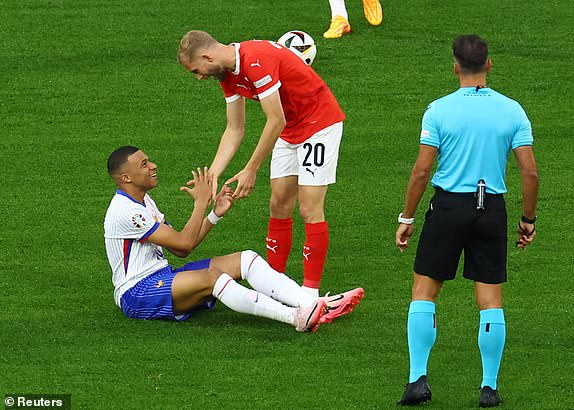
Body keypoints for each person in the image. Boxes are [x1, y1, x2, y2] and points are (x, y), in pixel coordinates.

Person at [394, 35, 539, 407]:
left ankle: (416, 382)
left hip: (447, 209)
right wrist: (527, 220)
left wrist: (407, 217)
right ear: (489, 65)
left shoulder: (439, 110)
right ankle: (488, 388)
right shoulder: (512, 110)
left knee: (424, 293)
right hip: (491, 210)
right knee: (490, 300)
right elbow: (530, 174)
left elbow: (421, 171)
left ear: (455, 66)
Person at [104, 146, 363, 332]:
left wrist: (214, 214)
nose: (153, 166)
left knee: (245, 259)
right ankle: (296, 317)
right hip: (137, 293)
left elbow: (183, 249)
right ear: (126, 178)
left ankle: (315, 305)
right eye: (144, 164)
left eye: (149, 161)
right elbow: (183, 244)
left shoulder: (143, 201)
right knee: (214, 278)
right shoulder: (126, 211)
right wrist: (201, 202)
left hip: (162, 276)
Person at [177, 31, 345, 297]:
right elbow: (235, 129)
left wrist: (251, 168)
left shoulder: (256, 59)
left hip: (319, 124)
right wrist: (212, 175)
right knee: (278, 204)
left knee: (309, 209)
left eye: (197, 70)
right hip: (290, 129)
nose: (199, 77)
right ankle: (276, 289)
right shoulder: (227, 74)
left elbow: (275, 120)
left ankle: (310, 294)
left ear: (208, 56)